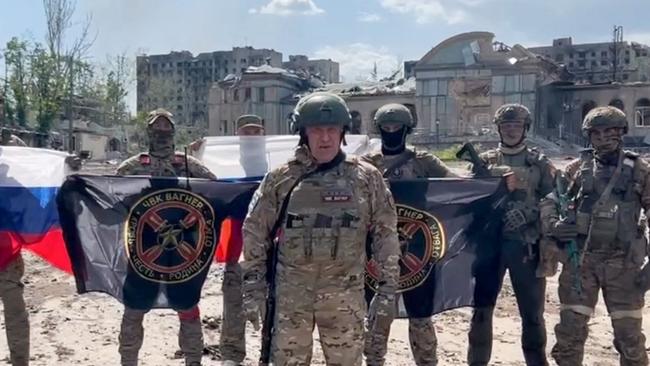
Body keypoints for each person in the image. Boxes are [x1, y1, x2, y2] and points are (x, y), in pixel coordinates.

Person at [241, 92, 400, 365]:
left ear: (342, 133)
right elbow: (255, 232)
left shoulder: (366, 177)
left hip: (345, 299)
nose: (324, 138)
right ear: (303, 133)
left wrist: (387, 291)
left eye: (331, 130)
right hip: (291, 298)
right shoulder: (282, 178)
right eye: (316, 130)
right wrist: (253, 289)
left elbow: (386, 234)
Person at [540, 106, 649, 366]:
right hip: (582, 263)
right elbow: (550, 201)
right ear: (589, 136)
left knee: (630, 340)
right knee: (569, 336)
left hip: (623, 265)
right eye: (596, 133)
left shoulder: (639, 170)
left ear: (622, 133)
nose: (603, 138)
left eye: (610, 132)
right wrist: (554, 225)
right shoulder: (577, 169)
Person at [115, 108, 216, 366]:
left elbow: (217, 189)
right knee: (134, 306)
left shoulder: (188, 165)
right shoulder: (134, 165)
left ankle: (193, 361)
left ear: (173, 132)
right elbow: (109, 192)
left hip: (183, 253)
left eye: (166, 128)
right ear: (148, 131)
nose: (161, 133)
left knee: (187, 306)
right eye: (156, 128)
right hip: (143, 248)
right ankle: (128, 361)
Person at [361, 103, 456, 366]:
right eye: (386, 128)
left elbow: (459, 185)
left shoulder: (424, 162)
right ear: (379, 129)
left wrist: (492, 179)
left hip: (418, 250)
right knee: (377, 315)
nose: (392, 132)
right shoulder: (366, 164)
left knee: (421, 316)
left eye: (397, 128)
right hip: (375, 253)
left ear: (407, 130)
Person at [467, 104, 555, 366]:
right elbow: (470, 199)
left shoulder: (539, 163)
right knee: (481, 313)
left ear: (525, 128)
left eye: (517, 125)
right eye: (506, 126)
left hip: (525, 246)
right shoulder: (484, 161)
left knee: (532, 315)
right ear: (499, 129)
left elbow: (555, 199)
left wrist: (531, 213)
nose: (511, 130)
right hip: (490, 248)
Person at [220, 114, 265, 366]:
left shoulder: (279, 164)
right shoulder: (224, 163)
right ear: (238, 136)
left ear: (263, 135)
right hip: (236, 248)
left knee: (273, 303)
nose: (251, 136)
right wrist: (197, 152)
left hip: (270, 247)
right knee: (233, 303)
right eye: (246, 132)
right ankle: (231, 354)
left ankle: (269, 353)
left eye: (255, 131)